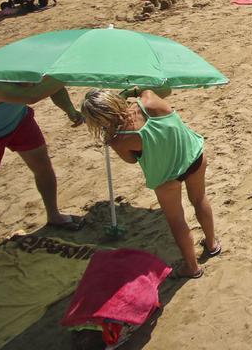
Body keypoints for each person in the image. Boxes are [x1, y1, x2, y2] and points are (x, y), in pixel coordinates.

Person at [0, 80, 85, 273]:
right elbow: (32, 96)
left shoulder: (31, 69)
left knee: (43, 166)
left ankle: (54, 214)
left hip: (18, 121)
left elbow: (54, 86)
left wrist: (69, 109)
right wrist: (64, 76)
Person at [81, 87, 219, 280]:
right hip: (193, 157)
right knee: (199, 198)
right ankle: (212, 245)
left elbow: (131, 160)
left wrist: (111, 132)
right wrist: (132, 91)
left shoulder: (117, 139)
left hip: (166, 177)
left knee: (176, 220)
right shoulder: (149, 100)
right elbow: (162, 89)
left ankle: (192, 267)